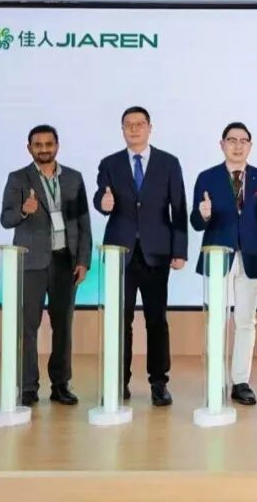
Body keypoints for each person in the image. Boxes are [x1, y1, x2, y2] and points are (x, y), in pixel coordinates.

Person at [93, 106, 188, 406]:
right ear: (122, 129)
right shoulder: (109, 163)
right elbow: (100, 197)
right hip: (120, 254)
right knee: (120, 320)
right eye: (128, 125)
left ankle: (159, 383)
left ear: (150, 127)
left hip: (157, 253)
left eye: (139, 124)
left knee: (156, 320)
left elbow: (179, 209)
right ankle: (118, 381)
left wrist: (180, 250)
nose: (134, 129)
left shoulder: (168, 163)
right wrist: (103, 203)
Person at [0, 124, 91, 407]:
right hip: (32, 263)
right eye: (37, 145)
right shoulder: (18, 178)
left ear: (57, 146)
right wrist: (23, 211)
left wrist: (83, 260)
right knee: (28, 326)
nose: (43, 149)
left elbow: (84, 223)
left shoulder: (73, 178)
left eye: (48, 144)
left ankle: (61, 385)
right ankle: (28, 386)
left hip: (65, 261)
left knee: (63, 326)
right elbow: (5, 219)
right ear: (29, 148)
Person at [191, 122, 257, 406]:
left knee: (246, 321)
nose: (238, 146)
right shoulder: (207, 177)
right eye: (232, 140)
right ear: (222, 145)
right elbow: (195, 222)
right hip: (218, 257)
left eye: (243, 141)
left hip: (252, 259)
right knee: (216, 320)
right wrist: (203, 214)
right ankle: (216, 380)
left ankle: (240, 381)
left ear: (250, 146)